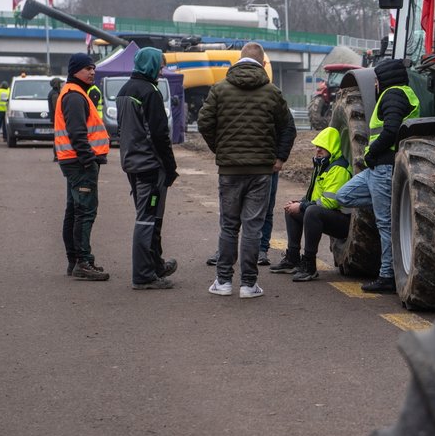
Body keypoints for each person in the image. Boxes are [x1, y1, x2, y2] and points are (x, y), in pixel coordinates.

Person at [198, 42, 295, 299]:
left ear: (237, 61)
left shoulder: (219, 90)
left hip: (229, 170)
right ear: (263, 64)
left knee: (229, 226)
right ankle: (249, 284)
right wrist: (279, 158)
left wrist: (219, 149)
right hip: (261, 171)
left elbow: (204, 122)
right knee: (253, 227)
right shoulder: (272, 92)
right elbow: (288, 127)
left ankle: (223, 281)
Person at [336, 58, 419, 293]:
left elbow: (391, 130)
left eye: (376, 80)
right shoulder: (397, 93)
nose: (374, 85)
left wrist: (372, 152)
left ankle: (387, 276)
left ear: (385, 79)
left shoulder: (394, 95)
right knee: (344, 196)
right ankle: (394, 205)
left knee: (384, 223)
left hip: (382, 167)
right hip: (375, 169)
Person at [116, 47, 179, 290]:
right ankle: (144, 275)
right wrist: (170, 167)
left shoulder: (125, 90)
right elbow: (159, 135)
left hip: (132, 163)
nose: (161, 71)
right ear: (151, 65)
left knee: (152, 217)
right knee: (147, 219)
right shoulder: (149, 92)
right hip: (150, 166)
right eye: (160, 66)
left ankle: (156, 264)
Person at [54, 52, 110, 280]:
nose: (92, 71)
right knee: (85, 212)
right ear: (75, 71)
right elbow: (77, 133)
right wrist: (88, 160)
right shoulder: (75, 96)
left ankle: (75, 260)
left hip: (73, 160)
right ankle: (82, 261)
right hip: (80, 162)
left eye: (93, 68)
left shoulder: (74, 93)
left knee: (74, 211)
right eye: (87, 68)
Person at [269, 127, 351, 281]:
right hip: (331, 215)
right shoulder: (322, 165)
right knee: (292, 208)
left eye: (322, 147)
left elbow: (329, 202)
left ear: (332, 148)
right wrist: (299, 204)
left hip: (345, 222)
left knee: (312, 211)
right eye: (317, 147)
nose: (318, 150)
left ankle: (309, 264)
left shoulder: (339, 168)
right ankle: (292, 259)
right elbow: (314, 197)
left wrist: (302, 206)